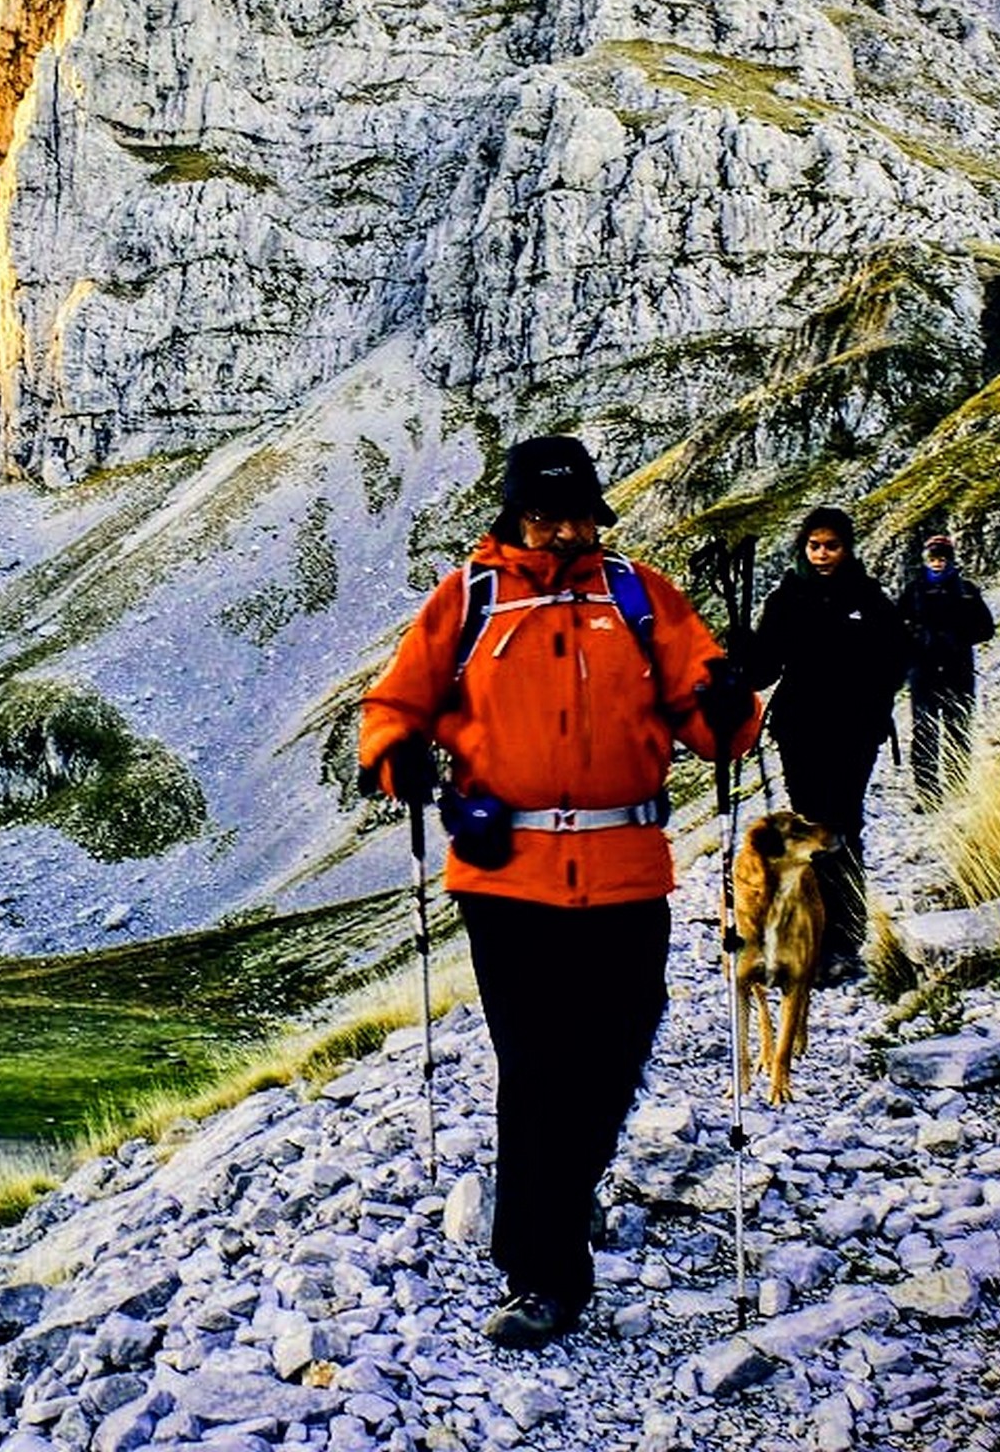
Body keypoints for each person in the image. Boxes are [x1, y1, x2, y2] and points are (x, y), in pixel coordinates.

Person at [358, 434, 758, 1349]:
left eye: (578, 515)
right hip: (507, 880)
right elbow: (390, 710)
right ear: (514, 517)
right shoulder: (469, 599)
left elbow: (713, 726)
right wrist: (397, 759)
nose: (564, 532)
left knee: (617, 1051)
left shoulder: (640, 596)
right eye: (546, 517)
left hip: (626, 869)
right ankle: (541, 1270)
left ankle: (564, 1192)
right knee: (537, 1069)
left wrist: (732, 701)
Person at [742, 507, 910, 987]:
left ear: (846, 547)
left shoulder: (868, 598)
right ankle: (810, 938)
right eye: (814, 546)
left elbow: (897, 656)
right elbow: (762, 670)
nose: (822, 554)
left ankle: (843, 940)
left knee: (841, 826)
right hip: (801, 730)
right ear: (803, 547)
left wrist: (873, 700)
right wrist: (742, 652)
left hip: (853, 731)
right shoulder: (787, 600)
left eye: (831, 545)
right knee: (812, 829)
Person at [896, 534, 995, 809]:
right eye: (932, 557)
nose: (937, 563)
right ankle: (928, 794)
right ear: (925, 560)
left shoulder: (967, 591)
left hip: (957, 670)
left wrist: (957, 638)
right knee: (924, 731)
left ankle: (958, 787)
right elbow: (894, 628)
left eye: (942, 557)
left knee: (958, 729)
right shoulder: (913, 591)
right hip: (923, 672)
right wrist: (915, 640)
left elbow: (987, 629)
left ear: (950, 559)